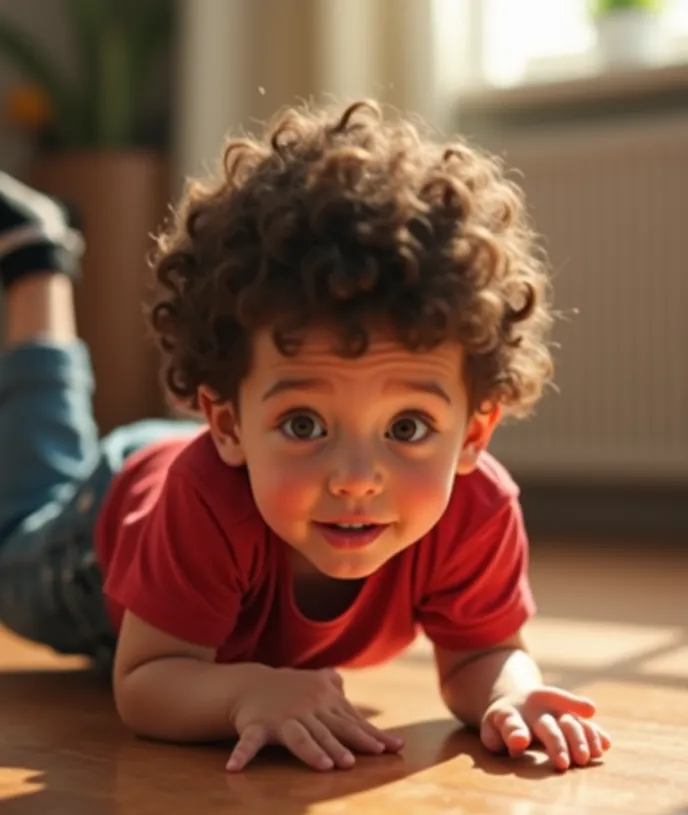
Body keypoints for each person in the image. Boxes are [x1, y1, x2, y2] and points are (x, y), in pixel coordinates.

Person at [0, 99, 611, 774]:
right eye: (305, 424)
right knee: (19, 515)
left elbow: (481, 656)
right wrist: (247, 690)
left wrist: (513, 695)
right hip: (104, 530)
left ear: (473, 434)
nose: (354, 476)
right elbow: (147, 682)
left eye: (407, 428)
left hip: (202, 474)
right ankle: (37, 261)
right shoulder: (205, 503)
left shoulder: (478, 510)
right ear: (226, 422)